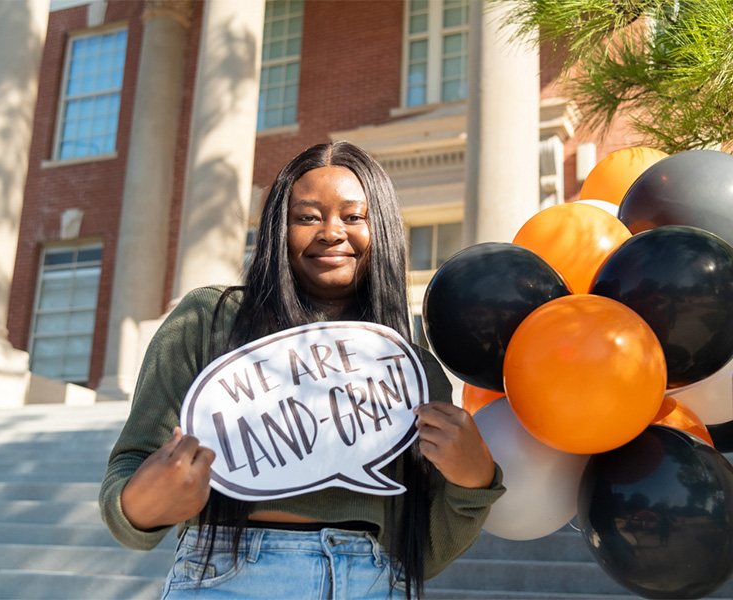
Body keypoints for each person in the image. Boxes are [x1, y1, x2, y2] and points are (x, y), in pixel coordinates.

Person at [99, 141, 505, 600]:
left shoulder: (410, 371)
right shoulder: (207, 319)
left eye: (353, 217)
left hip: (373, 582)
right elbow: (130, 474)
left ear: (384, 229)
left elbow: (424, 553)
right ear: (278, 228)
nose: (332, 233)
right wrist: (141, 504)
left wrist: (474, 483)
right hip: (227, 578)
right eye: (308, 217)